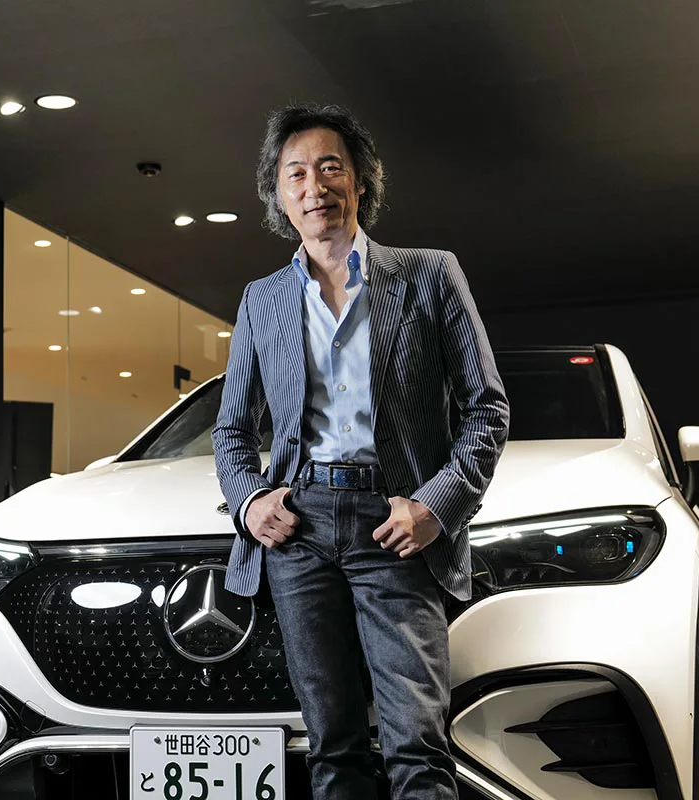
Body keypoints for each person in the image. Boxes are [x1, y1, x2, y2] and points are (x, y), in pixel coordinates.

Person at [212, 104, 509, 799]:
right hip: (299, 533)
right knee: (333, 748)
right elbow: (231, 430)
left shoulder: (430, 275)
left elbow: (487, 409)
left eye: (330, 168)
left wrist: (435, 507)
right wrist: (250, 500)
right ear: (280, 195)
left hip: (394, 525)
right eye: (295, 174)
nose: (314, 186)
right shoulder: (262, 300)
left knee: (417, 746)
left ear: (360, 181)